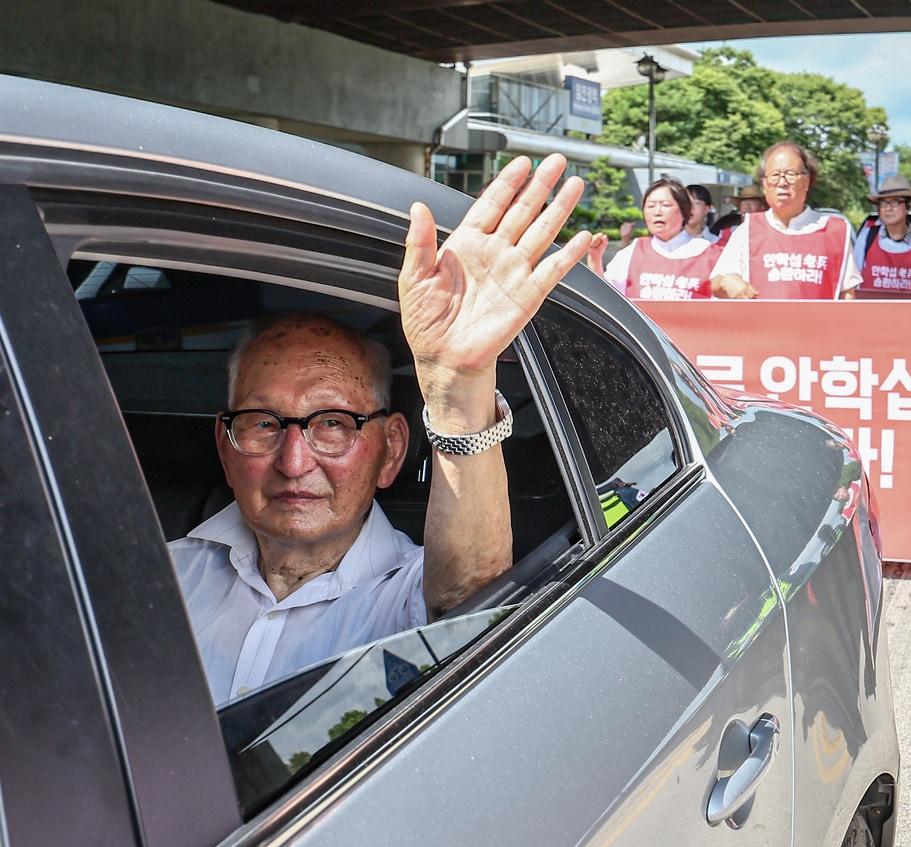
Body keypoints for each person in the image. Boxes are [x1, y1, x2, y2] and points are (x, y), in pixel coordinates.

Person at [171, 153, 599, 704]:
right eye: (264, 424)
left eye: (332, 424)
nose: (294, 461)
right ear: (225, 446)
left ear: (391, 450)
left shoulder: (409, 594)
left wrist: (458, 383)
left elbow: (465, 604)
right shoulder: (159, 577)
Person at [709, 141, 862, 300]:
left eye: (790, 174)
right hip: (761, 324)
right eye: (775, 175)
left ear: (806, 181)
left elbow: (847, 294)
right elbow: (716, 283)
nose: (782, 183)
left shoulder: (835, 231)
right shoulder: (748, 229)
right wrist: (726, 282)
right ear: (764, 184)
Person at [588, 178, 721, 300]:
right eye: (651, 206)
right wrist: (595, 258)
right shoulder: (634, 250)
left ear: (684, 210)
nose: (657, 212)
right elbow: (604, 297)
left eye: (666, 205)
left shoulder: (711, 255)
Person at [853, 175, 911, 297]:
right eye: (883, 203)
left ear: (908, 206)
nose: (888, 208)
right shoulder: (867, 236)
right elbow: (854, 279)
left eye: (894, 202)